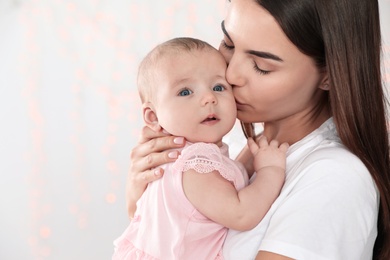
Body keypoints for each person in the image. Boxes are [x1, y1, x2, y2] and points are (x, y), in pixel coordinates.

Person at [126, 0, 390, 259]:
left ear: (330, 73)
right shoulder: (233, 146)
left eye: (261, 66)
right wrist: (145, 201)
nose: (230, 76)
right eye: (228, 44)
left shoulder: (333, 178)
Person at [113, 37, 289, 259]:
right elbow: (242, 214)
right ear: (153, 116)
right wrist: (270, 171)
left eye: (218, 87)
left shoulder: (178, 156)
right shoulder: (195, 164)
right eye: (185, 92)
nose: (209, 98)